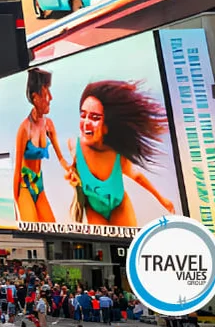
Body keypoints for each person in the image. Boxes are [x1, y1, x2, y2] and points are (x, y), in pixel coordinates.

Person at [64, 81, 177, 227]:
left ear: (107, 125)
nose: (86, 123)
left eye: (95, 118)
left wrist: (162, 199)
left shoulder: (117, 154)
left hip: (119, 206)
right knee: (102, 244)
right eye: (83, 115)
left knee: (126, 244)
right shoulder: (74, 145)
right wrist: (72, 175)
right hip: (94, 209)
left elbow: (137, 176)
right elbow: (74, 170)